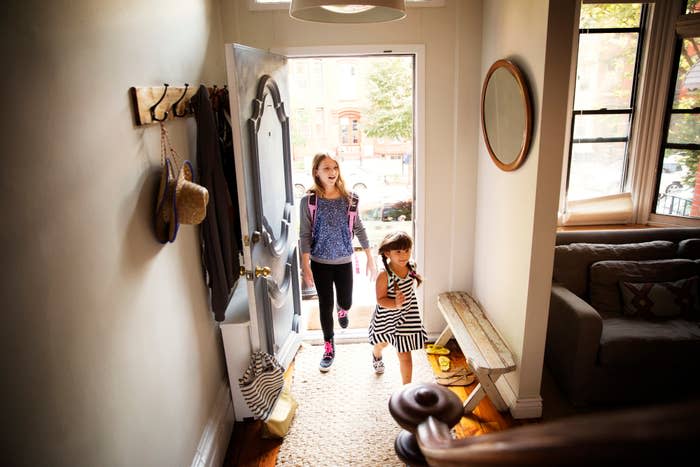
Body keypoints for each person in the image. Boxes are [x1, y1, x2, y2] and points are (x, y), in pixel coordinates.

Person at [299, 153, 377, 372]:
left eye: (335, 167)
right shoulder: (309, 201)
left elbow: (359, 228)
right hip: (319, 262)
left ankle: (342, 310)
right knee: (325, 304)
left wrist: (370, 257)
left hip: (344, 260)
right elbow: (304, 235)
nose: (332, 172)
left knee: (346, 301)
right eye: (326, 168)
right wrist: (305, 266)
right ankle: (328, 345)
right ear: (316, 172)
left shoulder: (349, 198)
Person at [368, 231, 427, 384]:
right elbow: (380, 299)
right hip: (387, 316)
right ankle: (376, 354)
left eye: (407, 250)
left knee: (405, 354)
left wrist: (402, 303)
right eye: (398, 251)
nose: (404, 255)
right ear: (388, 253)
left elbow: (408, 286)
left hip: (407, 315)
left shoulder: (411, 265)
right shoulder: (384, 275)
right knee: (382, 343)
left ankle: (406, 389)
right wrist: (395, 303)